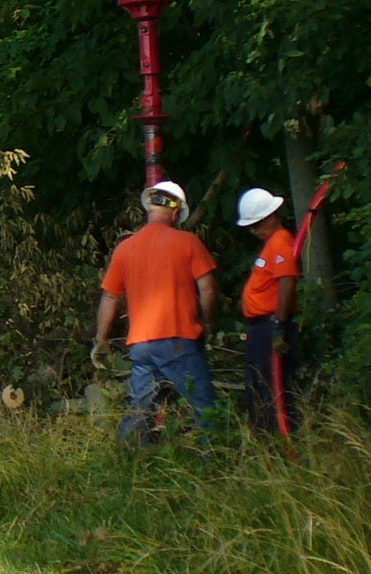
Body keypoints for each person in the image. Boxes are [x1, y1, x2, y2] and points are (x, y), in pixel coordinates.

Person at [92, 180, 219, 440]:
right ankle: (216, 462)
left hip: (141, 346)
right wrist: (208, 323)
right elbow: (208, 290)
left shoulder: (125, 248)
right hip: (177, 340)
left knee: (141, 410)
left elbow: (109, 297)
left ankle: (130, 462)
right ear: (175, 213)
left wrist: (101, 341)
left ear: (149, 209)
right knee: (206, 407)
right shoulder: (188, 242)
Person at [236, 186, 301, 433]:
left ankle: (280, 437)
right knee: (259, 385)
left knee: (273, 387)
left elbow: (287, 282)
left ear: (271, 217)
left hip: (270, 326)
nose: (253, 231)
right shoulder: (272, 244)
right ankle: (265, 438)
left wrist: (280, 326)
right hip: (260, 328)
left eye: (256, 225)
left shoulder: (281, 243)